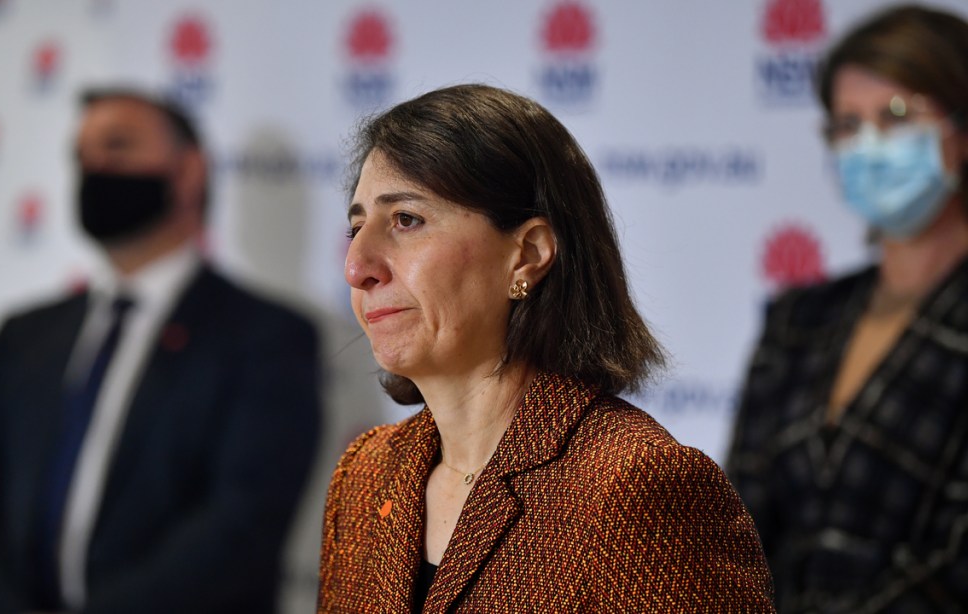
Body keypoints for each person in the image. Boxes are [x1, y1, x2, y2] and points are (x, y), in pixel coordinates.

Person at [318, 83, 774, 613]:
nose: (357, 266)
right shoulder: (366, 475)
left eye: (406, 220)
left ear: (527, 253)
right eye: (356, 228)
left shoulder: (635, 489)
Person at [0, 88, 321, 613]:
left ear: (188, 172)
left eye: (117, 147)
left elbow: (241, 524)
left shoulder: (266, 338)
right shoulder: (25, 335)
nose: (93, 167)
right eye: (80, 156)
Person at [727, 5, 968, 613]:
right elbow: (737, 528)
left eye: (895, 118)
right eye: (847, 125)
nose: (868, 146)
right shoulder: (799, 318)